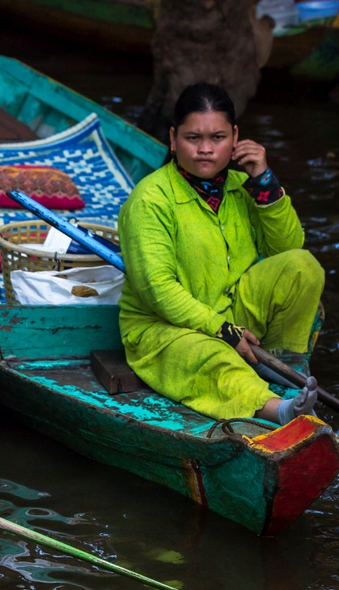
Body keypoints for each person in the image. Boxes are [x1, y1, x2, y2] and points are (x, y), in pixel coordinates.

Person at [118, 82, 324, 425]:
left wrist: (264, 179)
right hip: (164, 329)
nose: (205, 149)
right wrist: (220, 328)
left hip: (232, 313)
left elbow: (287, 250)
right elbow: (158, 289)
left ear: (235, 138)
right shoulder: (149, 199)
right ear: (173, 139)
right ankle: (280, 409)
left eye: (217, 138)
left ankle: (285, 372)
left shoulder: (241, 186)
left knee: (303, 267)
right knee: (213, 355)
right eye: (192, 138)